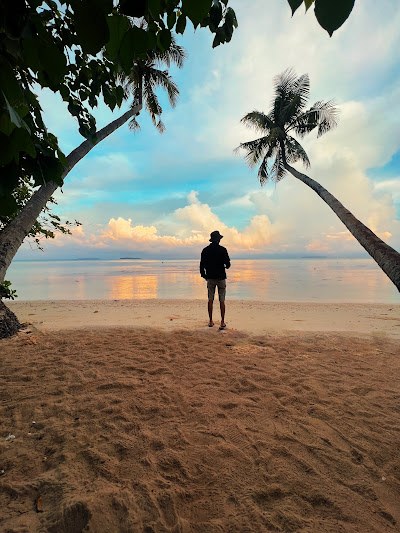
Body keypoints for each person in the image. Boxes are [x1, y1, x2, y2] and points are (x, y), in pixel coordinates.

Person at [200, 230, 231, 329]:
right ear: (218, 240)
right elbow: (228, 264)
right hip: (221, 277)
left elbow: (202, 265)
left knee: (210, 299)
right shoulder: (223, 250)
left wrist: (204, 275)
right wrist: (225, 265)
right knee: (222, 300)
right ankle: (222, 322)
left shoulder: (205, 250)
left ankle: (210, 321)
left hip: (210, 277)